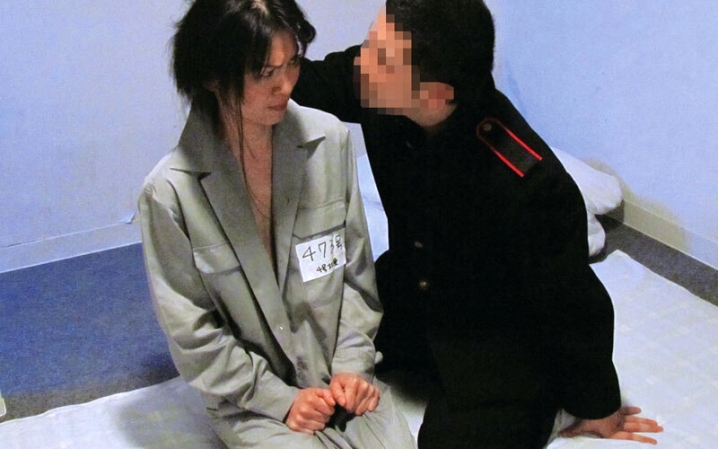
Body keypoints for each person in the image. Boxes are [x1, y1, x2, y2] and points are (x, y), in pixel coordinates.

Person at [292, 0, 664, 447]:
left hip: (493, 332)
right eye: (371, 43)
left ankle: (544, 405)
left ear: (435, 94)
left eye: (380, 58)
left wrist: (597, 401)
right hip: (412, 287)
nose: (362, 62)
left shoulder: (528, 185)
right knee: (309, 351)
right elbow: (305, 83)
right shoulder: (383, 83)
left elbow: (573, 302)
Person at [138, 1, 415, 447]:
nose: (286, 85)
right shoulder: (170, 194)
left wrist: (353, 366)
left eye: (293, 64)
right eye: (265, 73)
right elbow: (193, 334)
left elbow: (357, 279)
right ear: (212, 76)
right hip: (252, 400)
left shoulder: (330, 142)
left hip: (342, 377)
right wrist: (279, 399)